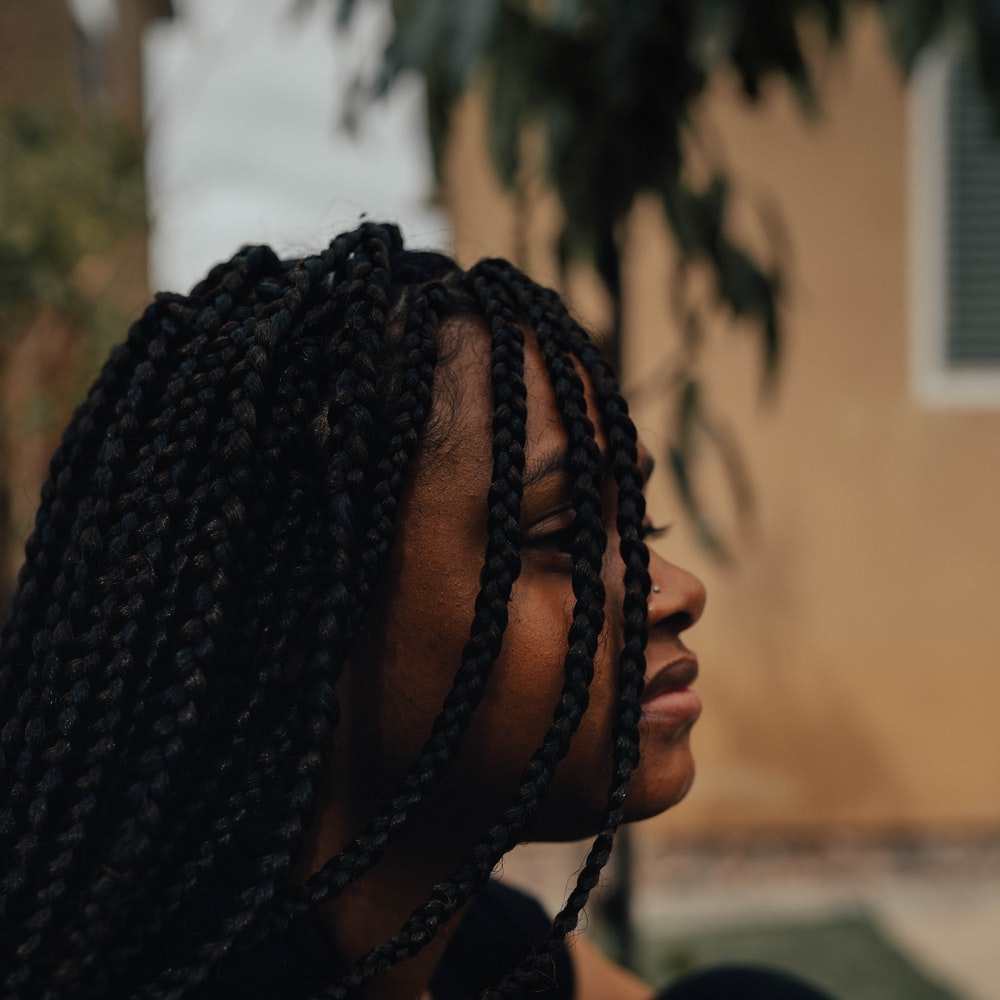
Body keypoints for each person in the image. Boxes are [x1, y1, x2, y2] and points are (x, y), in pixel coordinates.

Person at [0, 222, 832, 999]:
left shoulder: (457, 934)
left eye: (639, 523)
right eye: (567, 535)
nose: (680, 588)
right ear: (309, 625)